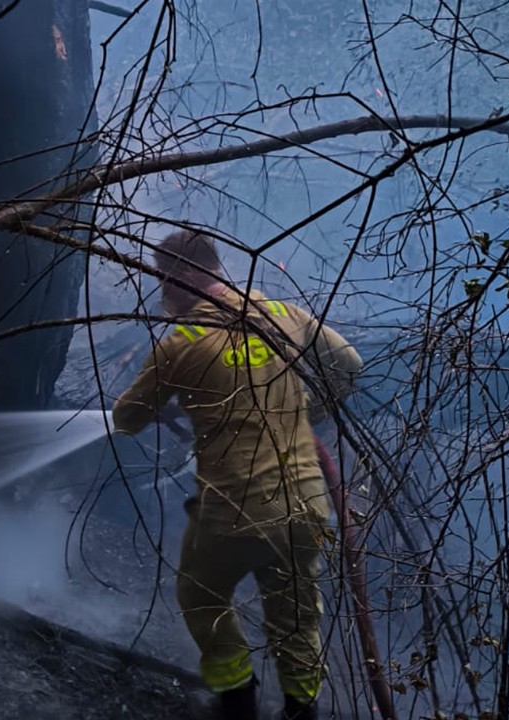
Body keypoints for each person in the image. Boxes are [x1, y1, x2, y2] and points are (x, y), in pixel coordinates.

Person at [112, 229, 363, 720]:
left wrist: (167, 407)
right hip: (306, 503)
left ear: (181, 277)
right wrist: (305, 414)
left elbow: (126, 418)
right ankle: (301, 711)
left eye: (163, 279)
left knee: (200, 593)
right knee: (296, 614)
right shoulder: (283, 314)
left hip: (235, 507)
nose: (162, 291)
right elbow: (349, 364)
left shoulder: (182, 343)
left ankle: (237, 699)